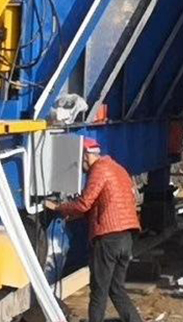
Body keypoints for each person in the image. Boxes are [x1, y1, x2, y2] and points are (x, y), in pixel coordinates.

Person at [46, 138, 144, 322]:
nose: (80, 169)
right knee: (116, 289)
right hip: (126, 237)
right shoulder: (118, 169)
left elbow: (84, 203)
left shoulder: (99, 170)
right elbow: (103, 203)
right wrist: (73, 214)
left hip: (108, 238)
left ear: (85, 156)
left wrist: (59, 208)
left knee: (99, 291)